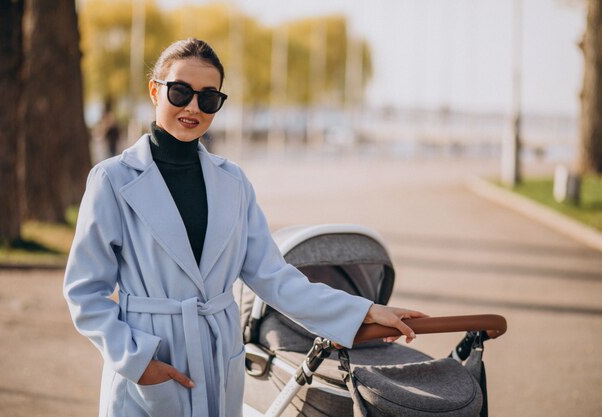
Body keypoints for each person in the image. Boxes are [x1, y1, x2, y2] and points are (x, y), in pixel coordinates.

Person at [63, 38, 427, 417]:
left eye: (208, 98)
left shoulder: (233, 182)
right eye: (180, 92)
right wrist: (138, 363)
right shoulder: (112, 180)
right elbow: (85, 291)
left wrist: (364, 311)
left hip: (220, 358)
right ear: (155, 91)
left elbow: (274, 278)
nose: (192, 107)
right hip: (149, 357)